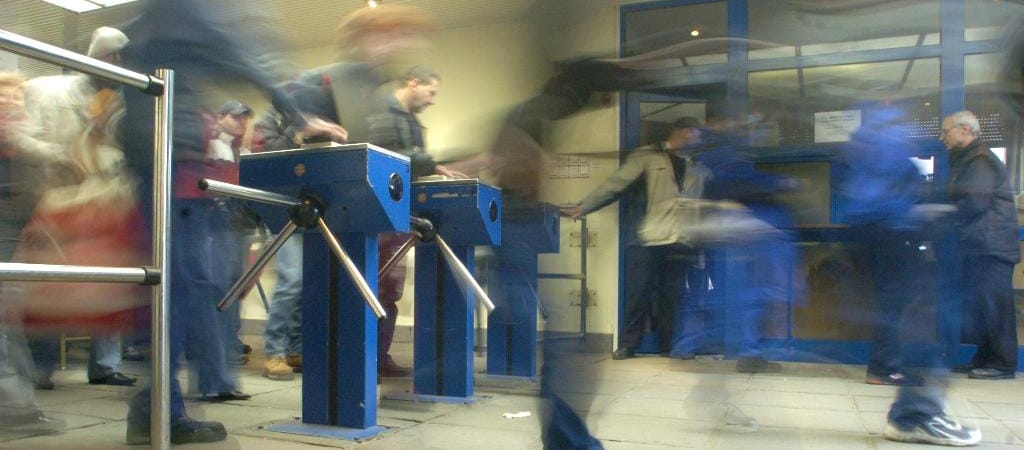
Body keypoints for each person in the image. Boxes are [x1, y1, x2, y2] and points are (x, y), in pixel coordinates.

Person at [116, 0, 347, 444]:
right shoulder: (189, 7)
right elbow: (241, 53)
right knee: (177, 293)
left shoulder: (152, 17)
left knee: (176, 291)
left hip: (159, 155)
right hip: (170, 157)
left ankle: (159, 407)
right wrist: (298, 113)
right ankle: (158, 412)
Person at [19, 26, 138, 390]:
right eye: (110, 57)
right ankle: (41, 366)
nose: (116, 65)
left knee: (108, 277)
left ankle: (104, 364)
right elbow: (22, 135)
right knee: (48, 282)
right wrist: (58, 156)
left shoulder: (124, 101)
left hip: (101, 202)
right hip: (51, 198)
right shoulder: (48, 90)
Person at [565, 117, 704, 359]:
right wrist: (584, 207)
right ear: (680, 132)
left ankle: (669, 345)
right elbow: (616, 185)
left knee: (672, 296)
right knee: (638, 293)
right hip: (646, 237)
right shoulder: (647, 156)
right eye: (693, 133)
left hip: (680, 238)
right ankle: (628, 345)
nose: (696, 139)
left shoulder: (697, 165)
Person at [368, 66, 465, 377]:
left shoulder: (413, 124)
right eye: (431, 91)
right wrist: (432, 163)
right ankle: (364, 360)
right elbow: (386, 158)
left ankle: (379, 358)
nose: (433, 99)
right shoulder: (382, 113)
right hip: (377, 214)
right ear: (413, 82)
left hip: (400, 213)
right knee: (373, 286)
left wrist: (431, 167)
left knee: (389, 290)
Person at [0, 70, 65, 434]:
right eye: (2, 96)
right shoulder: (15, 137)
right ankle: (14, 408)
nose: (10, 102)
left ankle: (18, 405)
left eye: (16, 97)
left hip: (17, 228)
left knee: (11, 320)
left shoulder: (22, 136)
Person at [183, 99, 255, 401]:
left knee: (229, 299)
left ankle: (220, 377)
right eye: (236, 117)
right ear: (220, 117)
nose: (241, 123)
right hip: (215, 225)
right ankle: (215, 379)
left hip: (233, 226)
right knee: (218, 299)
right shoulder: (212, 146)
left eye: (244, 119)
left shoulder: (238, 151)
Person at [939, 110, 1020, 381]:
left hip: (991, 246)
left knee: (994, 307)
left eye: (946, 131)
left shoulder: (980, 159)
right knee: (983, 307)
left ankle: (1002, 363)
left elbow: (975, 202)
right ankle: (985, 358)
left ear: (965, 130)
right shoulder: (969, 158)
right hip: (982, 244)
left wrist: (942, 213)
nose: (942, 137)